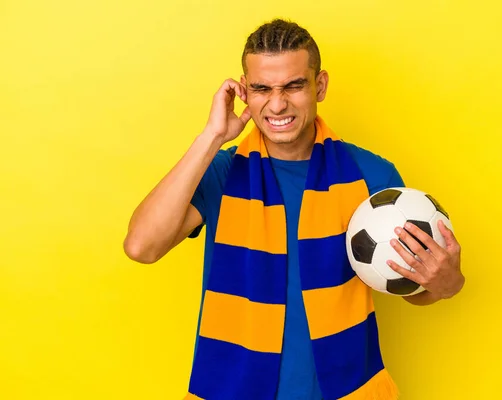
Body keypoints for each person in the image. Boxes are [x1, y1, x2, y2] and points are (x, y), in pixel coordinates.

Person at [124, 18, 464, 400]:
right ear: (244, 92)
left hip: (347, 390)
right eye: (262, 88)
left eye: (294, 85)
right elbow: (142, 246)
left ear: (319, 86)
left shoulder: (371, 176)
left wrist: (446, 283)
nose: (277, 103)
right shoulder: (222, 170)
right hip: (231, 390)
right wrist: (212, 136)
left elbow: (409, 283)